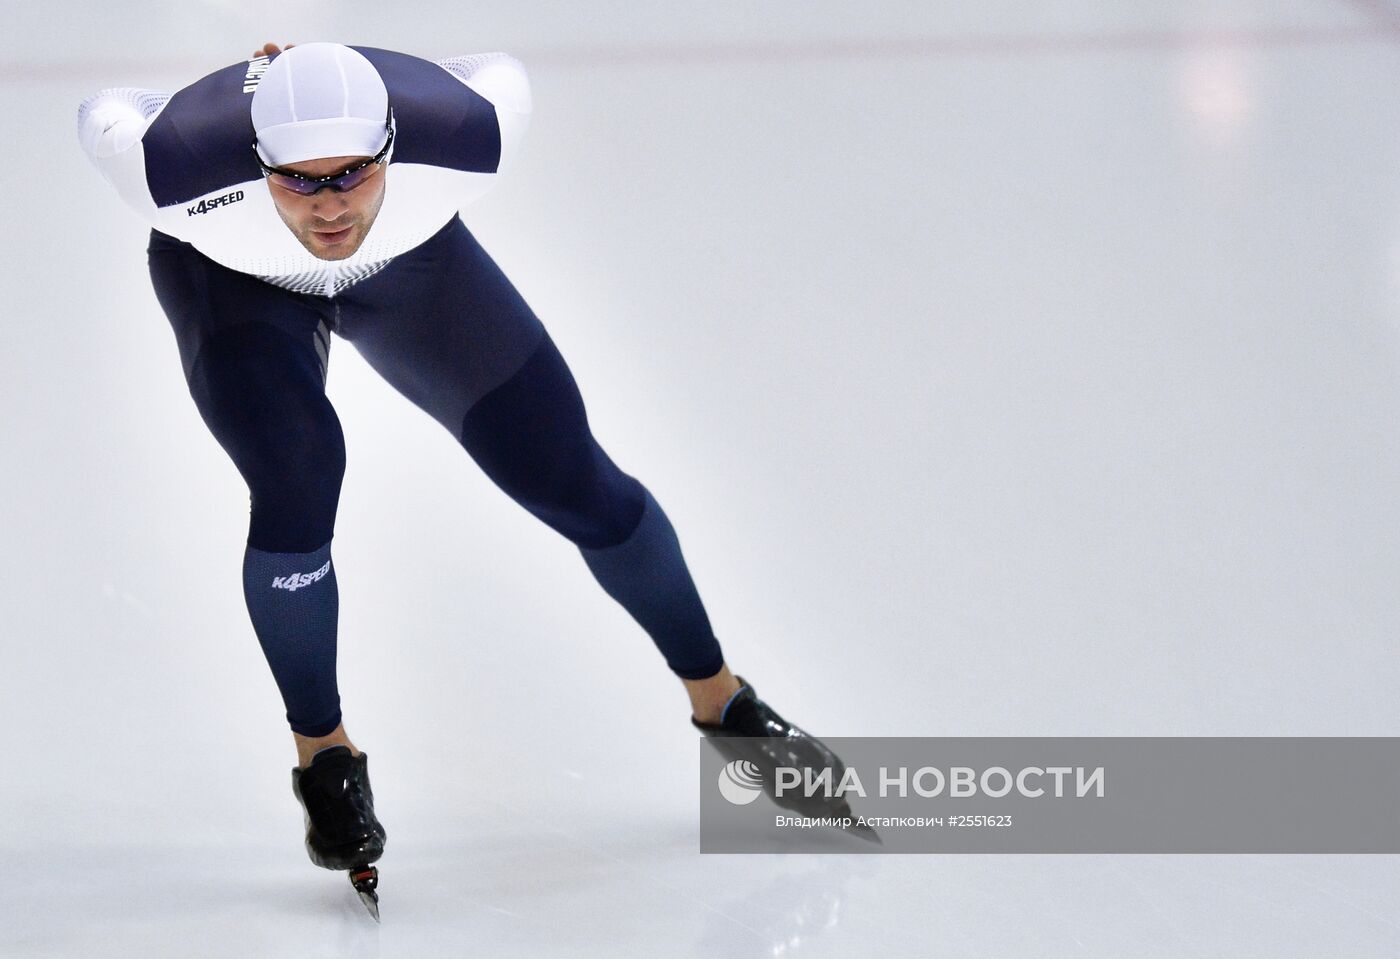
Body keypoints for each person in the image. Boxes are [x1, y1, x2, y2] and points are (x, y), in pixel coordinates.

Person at [78, 40, 855, 903]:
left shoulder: (466, 128)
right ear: (254, 159)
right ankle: (324, 756)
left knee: (571, 478)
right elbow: (106, 106)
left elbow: (497, 67)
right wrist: (225, 89)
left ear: (394, 146)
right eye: (299, 179)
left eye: (354, 173)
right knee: (297, 467)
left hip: (412, 267)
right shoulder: (173, 160)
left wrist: (369, 62)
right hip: (232, 279)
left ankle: (722, 700)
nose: (330, 206)